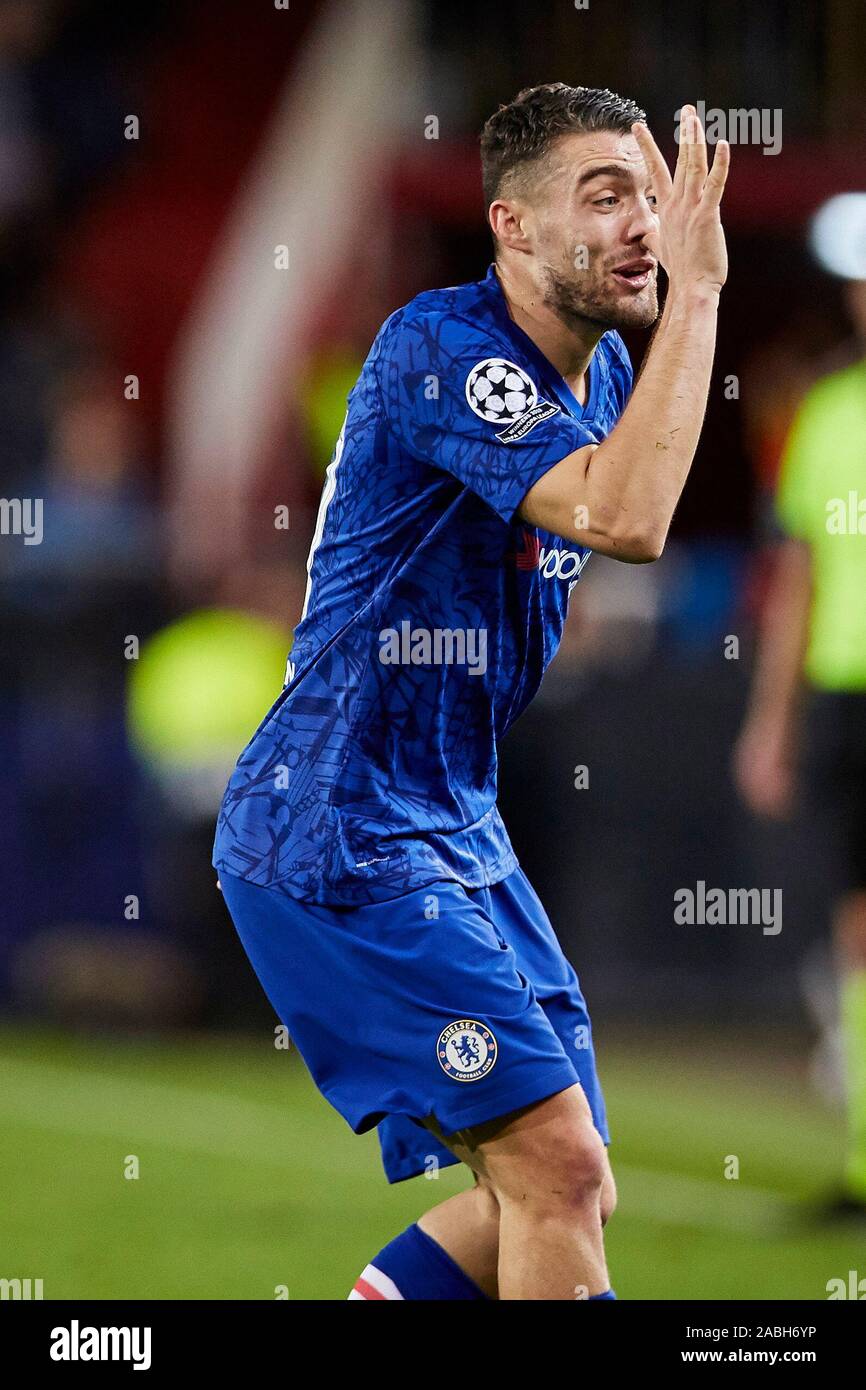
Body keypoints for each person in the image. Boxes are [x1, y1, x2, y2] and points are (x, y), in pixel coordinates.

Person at [213, 84, 729, 1300]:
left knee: (562, 1182)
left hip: (451, 825)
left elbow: (609, 501)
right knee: (550, 1166)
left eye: (650, 199)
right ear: (511, 226)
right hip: (335, 828)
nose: (643, 226)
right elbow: (624, 514)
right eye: (602, 198)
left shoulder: (595, 380)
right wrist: (699, 295)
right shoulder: (439, 349)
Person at [735, 272, 866, 1222]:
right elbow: (800, 574)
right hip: (845, 696)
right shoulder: (826, 411)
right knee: (858, 935)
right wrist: (771, 722)